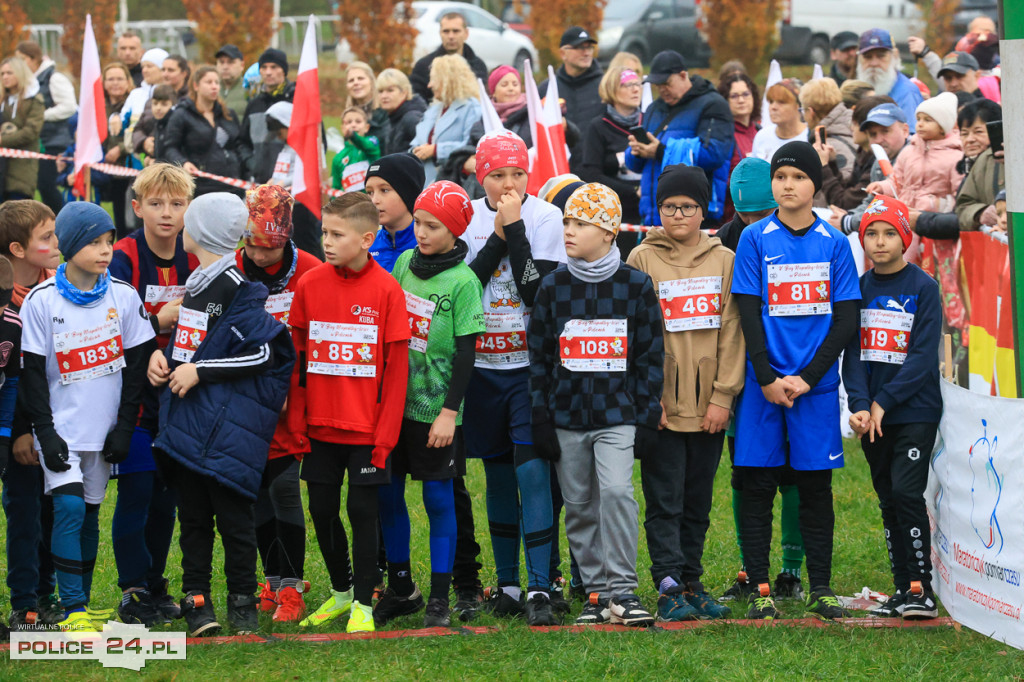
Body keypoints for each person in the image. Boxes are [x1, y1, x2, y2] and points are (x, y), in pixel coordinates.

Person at [148, 193, 294, 637]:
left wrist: (200, 371)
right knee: (193, 520)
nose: (180, 227)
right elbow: (194, 343)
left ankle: (242, 604)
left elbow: (266, 352)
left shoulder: (235, 286)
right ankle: (198, 603)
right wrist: (166, 360)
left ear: (201, 232)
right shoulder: (197, 281)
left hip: (224, 433)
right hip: (191, 427)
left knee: (234, 522)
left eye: (188, 220)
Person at [731, 141, 861, 621]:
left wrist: (807, 378)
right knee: (757, 486)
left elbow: (846, 320)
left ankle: (820, 587)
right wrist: (766, 377)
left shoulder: (834, 242)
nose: (788, 185)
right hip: (763, 387)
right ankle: (760, 587)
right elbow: (748, 312)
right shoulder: (755, 238)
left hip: (815, 388)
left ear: (814, 184)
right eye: (780, 177)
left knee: (814, 488)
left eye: (798, 177)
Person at [528, 182, 662, 627]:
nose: (568, 230)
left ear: (608, 233)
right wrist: (541, 415)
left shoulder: (635, 286)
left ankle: (623, 590)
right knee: (580, 504)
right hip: (565, 419)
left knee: (618, 493)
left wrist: (646, 417)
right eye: (566, 221)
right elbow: (539, 357)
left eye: (580, 223)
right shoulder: (552, 287)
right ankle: (597, 593)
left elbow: (649, 357)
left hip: (617, 417)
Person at [21, 202, 155, 631]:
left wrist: (125, 426)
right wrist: (45, 431)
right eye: (94, 242)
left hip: (105, 432)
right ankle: (73, 608)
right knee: (69, 508)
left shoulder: (124, 295)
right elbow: (32, 374)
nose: (105, 250)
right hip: (61, 431)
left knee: (90, 514)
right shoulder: (41, 300)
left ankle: (82, 600)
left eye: (109, 241)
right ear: (70, 245)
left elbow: (137, 368)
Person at [287, 192, 410, 632]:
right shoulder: (310, 285)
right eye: (325, 232)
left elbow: (396, 373)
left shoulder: (387, 290)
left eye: (337, 234)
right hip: (320, 428)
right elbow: (298, 361)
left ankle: (363, 603)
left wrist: (385, 437)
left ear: (366, 239)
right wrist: (297, 422)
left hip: (367, 432)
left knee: (362, 514)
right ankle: (341, 592)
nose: (327, 241)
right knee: (321, 510)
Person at [626, 166, 744, 620]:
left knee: (697, 499)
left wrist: (723, 396)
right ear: (658, 209)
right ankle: (668, 583)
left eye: (688, 206)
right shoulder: (641, 258)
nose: (678, 214)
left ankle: (692, 581)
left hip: (709, 405)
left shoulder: (724, 260)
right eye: (670, 206)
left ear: (703, 209)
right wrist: (648, 396)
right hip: (662, 406)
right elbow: (635, 334)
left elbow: (732, 331)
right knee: (664, 499)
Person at [461, 131, 564, 622]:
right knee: (498, 474)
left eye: (517, 174)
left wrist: (515, 227)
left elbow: (534, 294)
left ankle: (541, 587)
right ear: (480, 175)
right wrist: (499, 235)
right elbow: (466, 287)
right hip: (482, 369)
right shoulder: (465, 217)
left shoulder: (546, 216)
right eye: (497, 175)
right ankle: (507, 585)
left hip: (529, 369)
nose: (508, 185)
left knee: (533, 471)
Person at [378, 181, 484, 628]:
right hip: (393, 407)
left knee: (438, 498)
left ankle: (440, 597)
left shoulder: (464, 281)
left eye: (432, 226)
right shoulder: (404, 262)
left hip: (435, 412)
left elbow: (466, 353)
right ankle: (402, 588)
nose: (421, 232)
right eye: (419, 222)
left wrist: (448, 413)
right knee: (387, 495)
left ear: (454, 230)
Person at [107, 163, 199, 627]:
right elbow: (108, 321)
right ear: (137, 207)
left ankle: (156, 585)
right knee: (137, 491)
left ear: (189, 209)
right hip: (132, 397)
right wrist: (159, 322)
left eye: (177, 204)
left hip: (180, 396)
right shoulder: (122, 257)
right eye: (156, 204)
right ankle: (132, 589)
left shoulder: (195, 256)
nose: (166, 213)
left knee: (167, 498)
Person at [843, 196, 942, 619]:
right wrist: (861, 404)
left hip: (914, 411)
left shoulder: (924, 288)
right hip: (874, 417)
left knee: (905, 492)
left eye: (889, 233)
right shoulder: (858, 289)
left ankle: (922, 589)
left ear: (905, 238)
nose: (880, 242)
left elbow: (921, 358)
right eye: (871, 234)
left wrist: (884, 401)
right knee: (887, 498)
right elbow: (853, 354)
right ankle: (903, 587)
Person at [235, 185, 321, 623]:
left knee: (285, 487)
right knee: (256, 491)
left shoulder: (310, 271)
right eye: (252, 245)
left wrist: (298, 390)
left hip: (292, 400)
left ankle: (292, 586)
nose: (260, 255)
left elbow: (319, 336)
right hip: (246, 399)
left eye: (270, 248)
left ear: (287, 238)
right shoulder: (231, 269)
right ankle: (271, 580)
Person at [0, 200, 61, 631]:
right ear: (18, 249)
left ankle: (46, 594)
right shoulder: (8, 302)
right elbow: (13, 374)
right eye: (47, 236)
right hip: (19, 429)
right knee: (24, 513)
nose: (57, 243)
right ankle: (24, 604)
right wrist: (20, 431)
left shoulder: (59, 287)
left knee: (53, 511)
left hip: (56, 423)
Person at [625, 50, 733, 227]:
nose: (662, 90)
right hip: (652, 214)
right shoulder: (653, 109)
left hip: (693, 216)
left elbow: (714, 154)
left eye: (666, 83)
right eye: (658, 85)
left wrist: (660, 152)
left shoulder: (714, 104)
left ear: (683, 76)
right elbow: (635, 166)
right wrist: (636, 151)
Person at [867, 92, 964, 263]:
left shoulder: (955, 156)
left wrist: (936, 204)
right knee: (902, 258)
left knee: (933, 265)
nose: (920, 124)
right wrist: (882, 187)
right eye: (918, 119)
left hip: (935, 223)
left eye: (928, 120)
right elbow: (897, 181)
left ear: (943, 126)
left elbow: (959, 192)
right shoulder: (908, 151)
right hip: (906, 217)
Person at [579, 66, 644, 254]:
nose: (635, 89)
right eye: (628, 85)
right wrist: (633, 191)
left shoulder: (650, 121)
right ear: (612, 90)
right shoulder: (598, 127)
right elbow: (591, 174)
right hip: (615, 214)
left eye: (638, 84)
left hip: (649, 212)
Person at [163, 67, 244, 198]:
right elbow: (170, 147)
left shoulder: (228, 114)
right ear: (196, 86)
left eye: (217, 82)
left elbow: (239, 145)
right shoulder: (181, 114)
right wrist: (183, 163)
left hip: (232, 185)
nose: (214, 86)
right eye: (209, 82)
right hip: (201, 187)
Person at [14, 41, 75, 215]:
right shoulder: (29, 81)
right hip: (37, 142)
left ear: (34, 58)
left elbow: (69, 106)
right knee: (42, 187)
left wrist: (40, 116)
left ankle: (63, 220)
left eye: (22, 59)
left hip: (54, 142)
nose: (19, 65)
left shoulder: (54, 78)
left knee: (48, 186)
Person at [259, 102, 324, 260]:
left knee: (308, 250)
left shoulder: (307, 145)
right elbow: (283, 170)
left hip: (302, 208)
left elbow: (310, 172)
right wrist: (273, 181)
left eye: (279, 131)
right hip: (285, 207)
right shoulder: (286, 147)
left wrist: (283, 184)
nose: (278, 136)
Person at [539, 26, 605, 173]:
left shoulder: (605, 86)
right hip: (558, 171)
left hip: (598, 172)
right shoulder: (547, 89)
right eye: (579, 47)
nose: (586, 52)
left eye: (589, 47)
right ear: (563, 53)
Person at [817, 94, 895, 213]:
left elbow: (844, 204)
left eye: (854, 123)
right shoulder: (865, 152)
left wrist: (824, 166)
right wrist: (831, 163)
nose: (851, 128)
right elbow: (848, 191)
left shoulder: (879, 161)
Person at [409, 55, 481, 185]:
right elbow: (416, 141)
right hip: (425, 183)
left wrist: (436, 150)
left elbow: (473, 147)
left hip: (453, 183)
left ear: (448, 80)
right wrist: (415, 151)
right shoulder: (434, 109)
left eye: (433, 80)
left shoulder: (472, 108)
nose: (429, 85)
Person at [239, 48, 295, 184]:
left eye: (274, 67)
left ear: (283, 70)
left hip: (291, 184)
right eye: (264, 67)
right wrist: (253, 164)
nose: (268, 72)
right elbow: (242, 143)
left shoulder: (297, 101)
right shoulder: (254, 105)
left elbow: (316, 142)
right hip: (261, 183)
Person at [410, 12, 488, 103]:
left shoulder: (478, 66)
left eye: (456, 31)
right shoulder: (424, 66)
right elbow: (416, 102)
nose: (451, 36)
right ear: (440, 33)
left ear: (466, 33)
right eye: (446, 31)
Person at [366, 154, 426, 273]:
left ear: (408, 194)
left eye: (384, 190)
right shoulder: (365, 245)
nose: (374, 200)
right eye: (370, 192)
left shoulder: (429, 244)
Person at [856, 29, 923, 133]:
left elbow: (911, 136)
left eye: (881, 56)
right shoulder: (858, 88)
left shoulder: (907, 92)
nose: (874, 63)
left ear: (895, 55)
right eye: (867, 57)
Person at [716, 71, 761, 224]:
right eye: (734, 96)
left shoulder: (760, 132)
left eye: (746, 94)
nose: (741, 100)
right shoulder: (722, 134)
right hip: (731, 219)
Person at [0, 57, 45, 201]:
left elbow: (31, 132)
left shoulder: (34, 100)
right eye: (2, 73)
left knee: (17, 209)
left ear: (20, 73)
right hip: (2, 165)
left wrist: (2, 140)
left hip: (22, 166)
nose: (5, 77)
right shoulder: (2, 99)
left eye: (9, 73)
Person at [713, 158, 777, 253]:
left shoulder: (797, 234)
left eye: (761, 214)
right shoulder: (724, 239)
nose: (752, 223)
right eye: (744, 215)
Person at [100, 62, 134, 237]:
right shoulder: (99, 107)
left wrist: (120, 149)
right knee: (114, 219)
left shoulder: (134, 104)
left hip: (128, 170)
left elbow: (137, 132)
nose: (115, 83)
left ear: (128, 81)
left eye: (120, 79)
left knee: (128, 220)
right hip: (106, 170)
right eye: (111, 79)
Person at [799, 78, 856, 183]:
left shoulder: (827, 147)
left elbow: (842, 187)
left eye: (803, 110)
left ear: (811, 112)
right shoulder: (855, 126)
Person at [120, 48, 171, 163]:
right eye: (143, 67)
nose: (145, 70)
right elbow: (126, 123)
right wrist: (143, 141)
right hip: (136, 156)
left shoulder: (172, 93)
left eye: (150, 66)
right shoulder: (135, 93)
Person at [377, 69, 427, 159]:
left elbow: (425, 149)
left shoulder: (412, 118)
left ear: (404, 92)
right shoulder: (393, 117)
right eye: (380, 91)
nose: (384, 96)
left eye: (390, 90)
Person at [751, 80, 805, 163]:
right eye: (771, 102)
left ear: (798, 105)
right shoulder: (762, 136)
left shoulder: (811, 137)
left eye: (781, 102)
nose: (773, 107)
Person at [331, 106, 381, 192]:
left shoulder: (372, 142)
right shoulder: (338, 158)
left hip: (372, 198)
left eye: (358, 121)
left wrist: (353, 136)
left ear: (367, 127)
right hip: (350, 200)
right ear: (342, 128)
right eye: (349, 122)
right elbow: (336, 188)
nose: (353, 125)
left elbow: (365, 145)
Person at [345, 62, 391, 155]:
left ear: (372, 81)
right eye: (351, 80)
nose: (356, 83)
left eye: (360, 78)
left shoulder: (386, 109)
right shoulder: (348, 116)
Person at [131, 84, 176, 166]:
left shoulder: (175, 126)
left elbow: (174, 153)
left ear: (173, 106)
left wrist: (156, 162)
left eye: (164, 104)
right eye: (155, 103)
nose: (158, 108)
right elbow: (136, 130)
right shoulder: (156, 122)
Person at [215, 44, 248, 117]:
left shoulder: (249, 91)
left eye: (230, 62)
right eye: (221, 62)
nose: (225, 67)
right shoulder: (211, 89)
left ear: (242, 65)